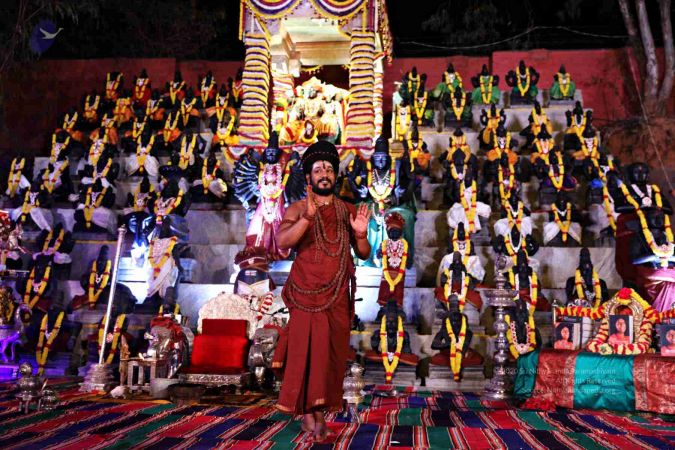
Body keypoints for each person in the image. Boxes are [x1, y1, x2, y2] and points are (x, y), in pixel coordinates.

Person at [272, 141, 371, 442]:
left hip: (336, 294)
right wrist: (307, 218)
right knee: (305, 354)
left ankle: (315, 413)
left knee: (330, 357)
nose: (324, 174)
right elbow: (282, 242)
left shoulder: (347, 210)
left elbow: (364, 253)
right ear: (309, 176)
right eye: (318, 170)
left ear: (335, 175)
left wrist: (361, 234)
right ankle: (314, 417)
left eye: (329, 169)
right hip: (304, 293)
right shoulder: (297, 208)